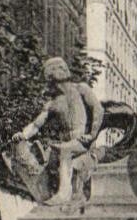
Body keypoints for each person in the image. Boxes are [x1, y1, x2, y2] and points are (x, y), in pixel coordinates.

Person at [13, 57, 104, 205]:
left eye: (61, 67)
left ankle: (64, 194)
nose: (60, 70)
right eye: (55, 68)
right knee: (53, 153)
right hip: (67, 144)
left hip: (83, 142)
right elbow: (36, 125)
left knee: (64, 150)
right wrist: (23, 135)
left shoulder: (81, 89)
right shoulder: (52, 103)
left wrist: (92, 135)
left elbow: (98, 110)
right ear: (50, 77)